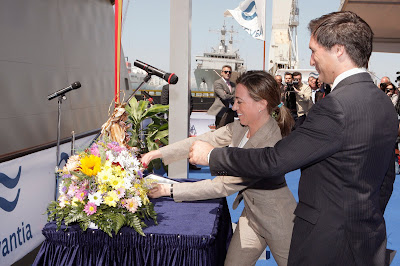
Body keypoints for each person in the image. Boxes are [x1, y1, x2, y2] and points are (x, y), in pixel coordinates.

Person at [188, 11, 398, 265]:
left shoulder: (335, 107)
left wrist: (212, 155)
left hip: (325, 246)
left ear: (339, 50)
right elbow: (386, 177)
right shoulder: (384, 104)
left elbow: (275, 160)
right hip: (367, 241)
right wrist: (365, 219)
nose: (311, 59)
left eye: (314, 50)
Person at [141, 71, 296, 266]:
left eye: (240, 101)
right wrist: (158, 154)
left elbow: (222, 186)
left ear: (261, 104)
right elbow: (203, 139)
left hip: (278, 220)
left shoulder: (269, 144)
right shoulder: (240, 126)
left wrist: (169, 190)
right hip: (252, 217)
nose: (234, 106)